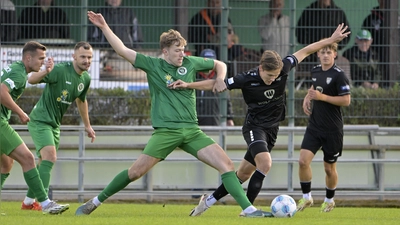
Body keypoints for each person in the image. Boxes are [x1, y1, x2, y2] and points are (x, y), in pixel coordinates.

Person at [75, 11, 273, 218]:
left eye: (183, 50)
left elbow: (219, 64)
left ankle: (248, 210)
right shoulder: (153, 65)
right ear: (165, 52)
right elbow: (123, 50)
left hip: (192, 131)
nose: (182, 54)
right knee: (134, 173)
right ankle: (94, 202)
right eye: (177, 50)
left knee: (227, 165)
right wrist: (104, 26)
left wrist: (221, 78)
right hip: (166, 132)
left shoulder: (190, 63)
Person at [169, 24, 350, 216]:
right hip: (254, 127)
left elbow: (306, 50)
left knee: (243, 174)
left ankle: (207, 201)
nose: (273, 79)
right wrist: (188, 84)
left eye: (276, 76)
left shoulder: (282, 69)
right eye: (270, 76)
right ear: (261, 68)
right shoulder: (247, 78)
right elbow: (216, 83)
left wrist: (331, 40)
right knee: (265, 163)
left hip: (272, 130)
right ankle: (249, 210)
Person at [17, 41, 96, 211]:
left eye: (89, 57)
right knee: (50, 157)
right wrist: (46, 71)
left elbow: (81, 101)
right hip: (40, 120)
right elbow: (31, 79)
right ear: (73, 56)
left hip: (54, 124)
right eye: (83, 56)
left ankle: (28, 203)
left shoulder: (86, 79)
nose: (86, 60)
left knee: (42, 162)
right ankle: (45, 203)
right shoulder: (60, 70)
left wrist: (87, 126)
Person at [0, 41, 70, 214]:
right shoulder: (19, 73)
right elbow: (1, 92)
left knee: (6, 164)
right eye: (40, 59)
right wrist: (21, 112)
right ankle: (45, 204)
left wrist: (46, 71)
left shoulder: (17, 68)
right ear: (28, 58)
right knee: (28, 159)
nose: (43, 62)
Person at [296, 38, 351, 213]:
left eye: (329, 52)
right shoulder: (315, 70)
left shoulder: (339, 75)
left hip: (332, 130)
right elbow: (315, 86)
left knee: (329, 168)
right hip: (314, 126)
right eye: (323, 52)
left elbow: (346, 100)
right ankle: (306, 198)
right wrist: (307, 97)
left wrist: (322, 98)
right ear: (318, 54)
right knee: (303, 161)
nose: (326, 55)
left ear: (335, 54)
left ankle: (329, 200)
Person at [88, 0, 144, 72]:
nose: (114, 0)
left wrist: (136, 49)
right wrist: (100, 49)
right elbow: (93, 37)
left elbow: (136, 33)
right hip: (106, 54)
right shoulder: (100, 12)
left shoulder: (128, 12)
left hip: (126, 53)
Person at [296, 0, 351, 73]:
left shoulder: (338, 13)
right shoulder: (309, 11)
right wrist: (309, 46)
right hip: (312, 55)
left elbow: (346, 32)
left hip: (331, 52)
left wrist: (337, 46)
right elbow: (299, 31)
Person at [196, 49, 234, 126]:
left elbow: (226, 99)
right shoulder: (194, 76)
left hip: (213, 117)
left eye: (211, 61)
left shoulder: (219, 78)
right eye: (206, 61)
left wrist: (229, 118)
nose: (209, 64)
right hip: (194, 118)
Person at [362, 0, 389, 87]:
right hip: (375, 55)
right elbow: (364, 38)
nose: (384, 2)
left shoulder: (396, 18)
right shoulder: (370, 19)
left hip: (393, 56)